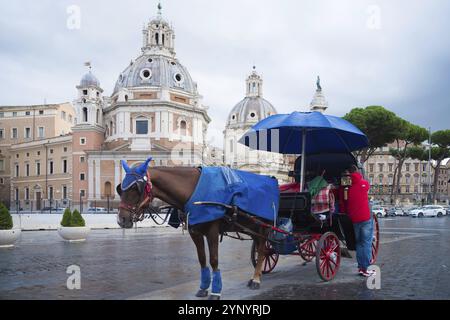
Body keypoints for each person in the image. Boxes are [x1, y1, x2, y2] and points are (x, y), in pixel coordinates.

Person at [339, 165, 375, 277]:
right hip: (365, 218)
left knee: (359, 243)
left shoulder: (344, 186)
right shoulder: (363, 183)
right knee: (366, 243)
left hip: (353, 219)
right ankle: (365, 268)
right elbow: (365, 186)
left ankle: (361, 268)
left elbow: (342, 200)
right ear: (357, 171)